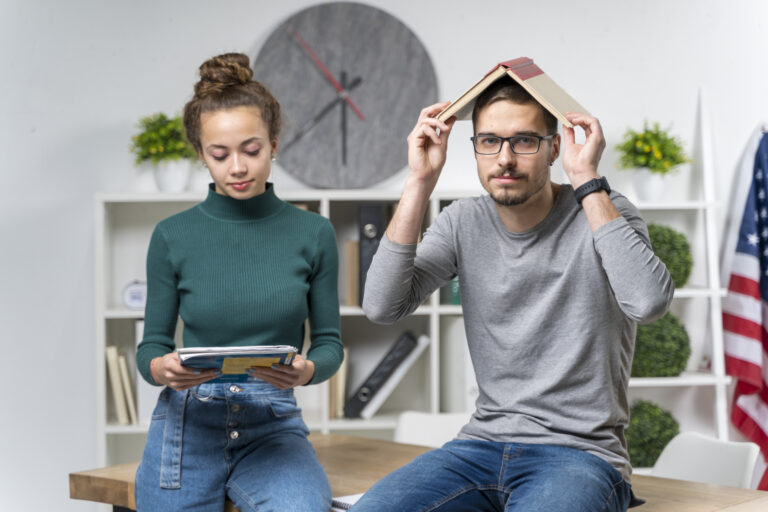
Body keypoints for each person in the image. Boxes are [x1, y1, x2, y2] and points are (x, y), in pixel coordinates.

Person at [353, 75, 674, 511]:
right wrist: (418, 182)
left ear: (554, 148)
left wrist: (586, 179)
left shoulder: (603, 211)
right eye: (489, 141)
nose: (504, 159)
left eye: (524, 141)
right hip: (478, 449)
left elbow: (649, 302)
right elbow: (381, 306)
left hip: (579, 456)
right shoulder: (461, 221)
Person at [134, 53, 343, 512]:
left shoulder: (314, 233)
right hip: (189, 419)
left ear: (273, 143)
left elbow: (329, 343)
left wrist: (308, 371)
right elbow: (150, 348)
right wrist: (159, 369)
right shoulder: (172, 235)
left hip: (273, 421)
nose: (238, 168)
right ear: (201, 155)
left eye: (252, 150)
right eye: (219, 154)